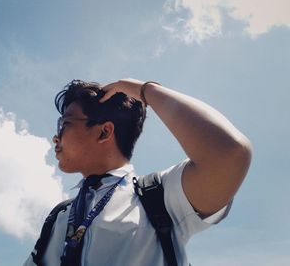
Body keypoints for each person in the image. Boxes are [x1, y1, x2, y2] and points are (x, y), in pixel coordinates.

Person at [23, 78, 252, 266]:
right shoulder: (58, 217)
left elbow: (230, 153)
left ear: (104, 132)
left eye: (64, 124)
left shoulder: (159, 196)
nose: (56, 136)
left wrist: (145, 90)